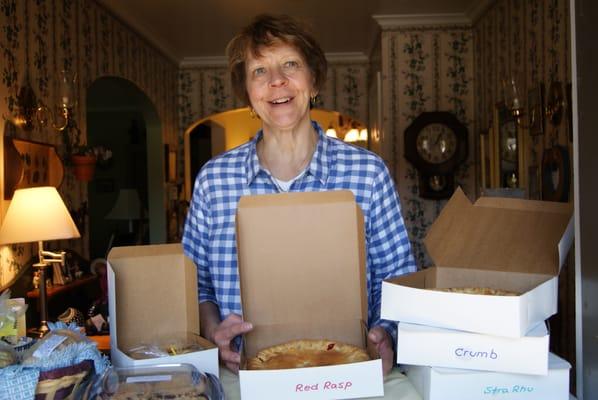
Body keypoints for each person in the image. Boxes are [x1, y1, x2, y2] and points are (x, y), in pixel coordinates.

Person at [182, 13, 416, 375]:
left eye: (290, 64)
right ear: (248, 91)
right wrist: (212, 331)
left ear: (314, 79)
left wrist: (386, 333)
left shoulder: (368, 174)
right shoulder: (214, 181)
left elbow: (398, 279)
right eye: (260, 70)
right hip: (243, 379)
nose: (277, 81)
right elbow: (195, 285)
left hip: (347, 375)